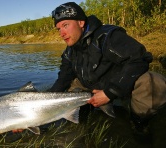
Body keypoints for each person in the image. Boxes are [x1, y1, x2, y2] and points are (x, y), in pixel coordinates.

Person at [49, 2, 166, 132]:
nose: (62, 33)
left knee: (153, 82)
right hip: (90, 87)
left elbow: (140, 59)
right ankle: (83, 120)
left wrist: (110, 92)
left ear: (80, 23)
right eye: (59, 29)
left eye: (65, 25)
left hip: (121, 85)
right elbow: (62, 80)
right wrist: (38, 105)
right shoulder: (69, 51)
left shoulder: (107, 36)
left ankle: (139, 122)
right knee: (70, 86)